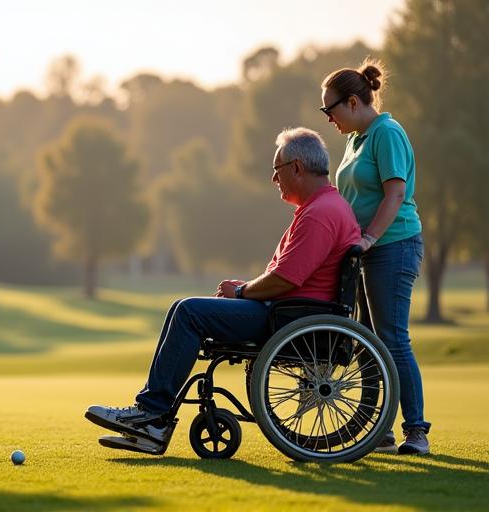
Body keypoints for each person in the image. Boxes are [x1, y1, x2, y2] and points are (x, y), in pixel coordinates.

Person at [85, 127, 360, 453]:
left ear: (297, 168)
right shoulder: (324, 207)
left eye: (277, 170)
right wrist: (244, 290)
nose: (274, 179)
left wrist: (242, 293)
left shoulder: (320, 214)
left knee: (188, 311)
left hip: (288, 318)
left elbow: (286, 279)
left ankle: (153, 416)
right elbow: (286, 276)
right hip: (288, 312)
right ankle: (153, 419)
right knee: (181, 308)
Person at [320, 59, 429, 455]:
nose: (328, 118)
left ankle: (416, 430)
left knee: (392, 339)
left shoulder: (387, 133)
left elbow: (395, 194)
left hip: (393, 245)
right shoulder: (356, 139)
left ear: (352, 102)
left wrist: (368, 238)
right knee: (367, 340)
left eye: (329, 109)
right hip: (365, 249)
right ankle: (378, 430)